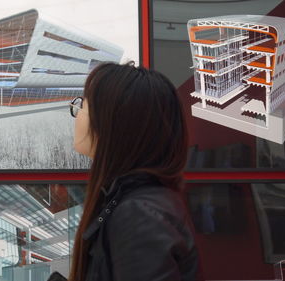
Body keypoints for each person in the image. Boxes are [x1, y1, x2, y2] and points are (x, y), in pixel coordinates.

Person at [68, 62, 201, 281]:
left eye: (84, 105)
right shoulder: (137, 201)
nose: (77, 112)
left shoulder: (138, 213)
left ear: (112, 123)